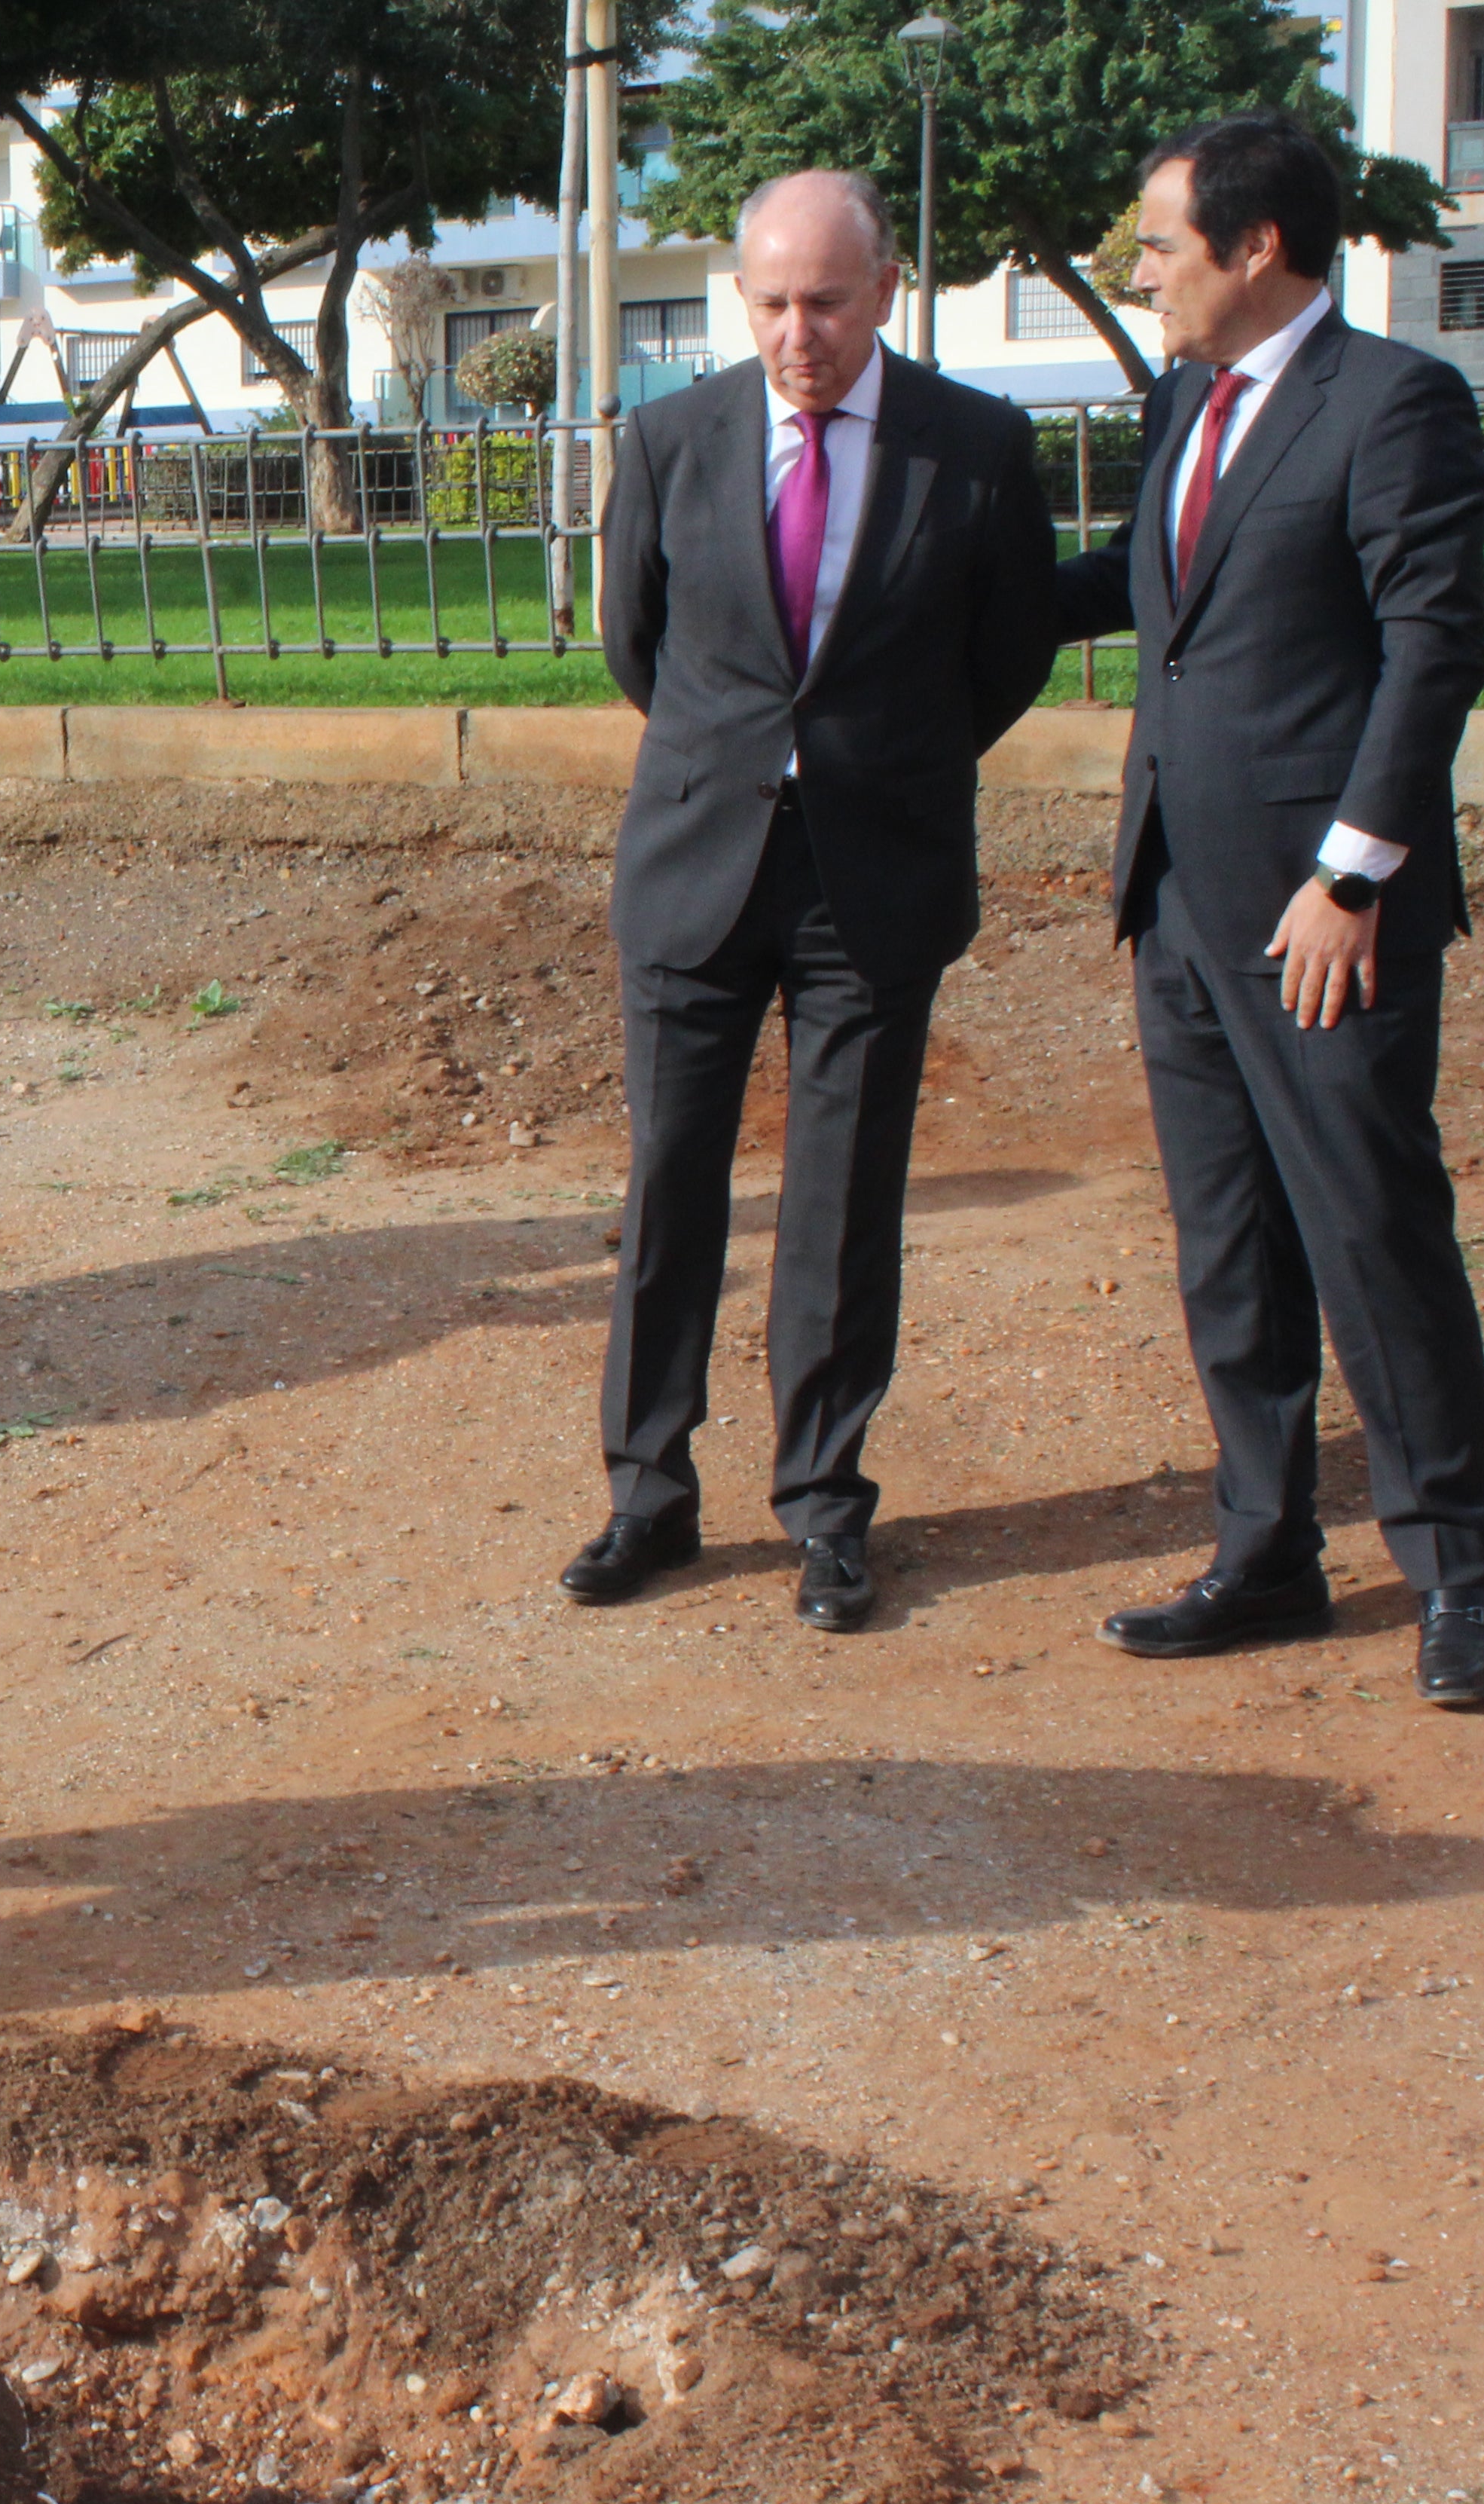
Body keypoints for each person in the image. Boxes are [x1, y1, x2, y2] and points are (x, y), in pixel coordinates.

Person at [1054, 115, 1484, 1708]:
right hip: (1179, 892)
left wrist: (1352, 872)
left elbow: (1433, 648)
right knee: (1231, 1246)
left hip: (1326, 917)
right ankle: (1268, 1551)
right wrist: (927, 592)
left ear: (1259, 250)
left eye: (1160, 242)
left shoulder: (1396, 404)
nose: (1140, 270)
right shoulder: (1189, 394)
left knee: (1372, 1231)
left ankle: (1455, 1568)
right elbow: (1149, 590)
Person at [562, 170, 1057, 1629]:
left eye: (828, 302)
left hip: (876, 874)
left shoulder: (977, 447)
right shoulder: (670, 438)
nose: (800, 334)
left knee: (843, 1207)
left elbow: (1007, 653)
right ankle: (646, 1494)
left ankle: (826, 1507)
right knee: (671, 1191)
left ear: (887, 289)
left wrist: (874, 759)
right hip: (697, 867)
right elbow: (638, 645)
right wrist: (748, 761)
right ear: (743, 300)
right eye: (773, 303)